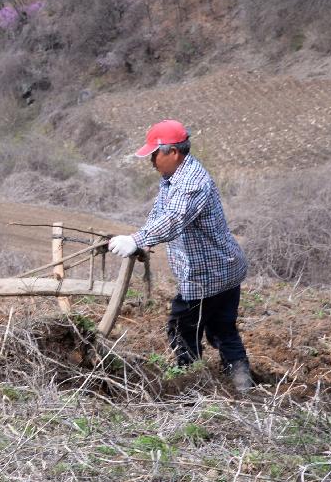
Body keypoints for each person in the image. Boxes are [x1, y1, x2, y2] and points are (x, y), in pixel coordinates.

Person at [108, 120, 254, 391]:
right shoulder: (173, 177)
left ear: (173, 152)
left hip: (207, 274)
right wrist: (144, 240)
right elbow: (161, 213)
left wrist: (136, 240)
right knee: (223, 329)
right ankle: (242, 383)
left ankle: (190, 384)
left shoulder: (191, 182)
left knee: (182, 328)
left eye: (155, 153)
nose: (151, 160)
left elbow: (174, 218)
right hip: (224, 268)